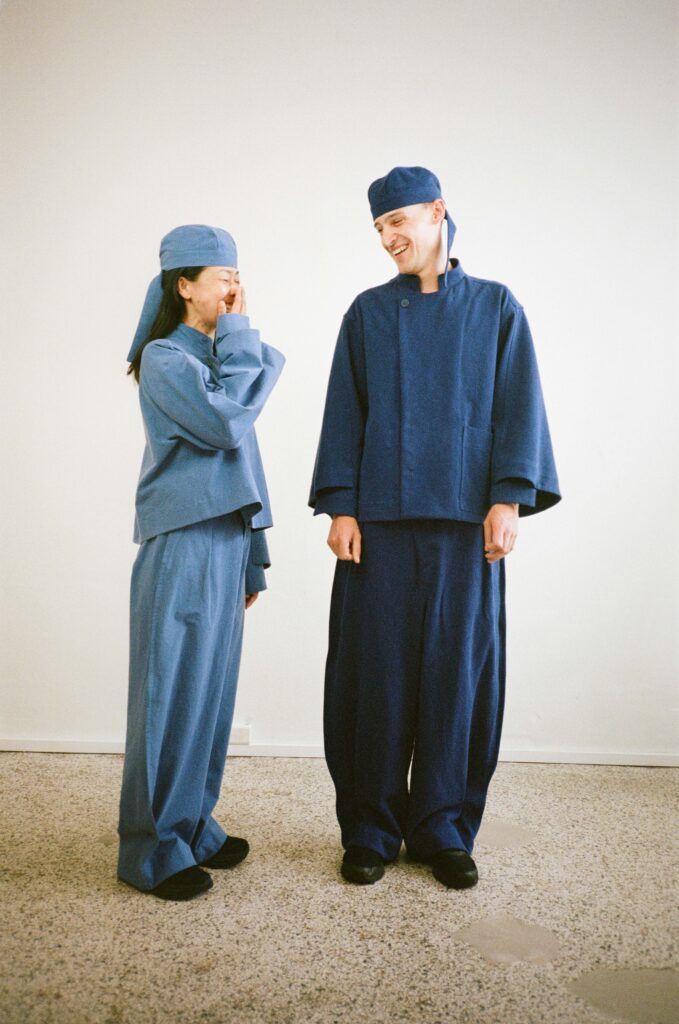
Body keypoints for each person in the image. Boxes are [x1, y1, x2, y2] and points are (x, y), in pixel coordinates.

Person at [308, 166, 561, 889]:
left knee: (458, 681)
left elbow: (518, 405)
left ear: (437, 212)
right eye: (378, 227)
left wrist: (508, 499)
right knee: (375, 681)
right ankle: (370, 829)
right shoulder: (365, 314)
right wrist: (341, 505)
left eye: (397, 221)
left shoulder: (495, 307)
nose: (388, 237)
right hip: (378, 528)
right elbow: (345, 411)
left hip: (464, 528)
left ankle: (443, 830)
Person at [117, 224, 285, 901]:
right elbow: (224, 426)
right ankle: (151, 850)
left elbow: (244, 464)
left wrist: (253, 558)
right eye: (222, 278)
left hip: (223, 541)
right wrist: (241, 337)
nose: (235, 289)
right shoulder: (165, 359)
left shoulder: (219, 358)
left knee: (210, 696)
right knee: (169, 695)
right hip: (183, 540)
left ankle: (191, 826)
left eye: (238, 277)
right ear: (184, 286)